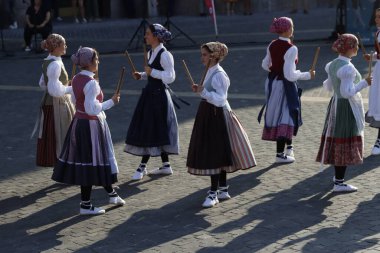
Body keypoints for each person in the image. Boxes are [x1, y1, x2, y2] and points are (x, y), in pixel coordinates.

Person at [52, 47, 125, 215]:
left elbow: (72, 96)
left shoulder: (77, 78)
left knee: (98, 160)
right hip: (90, 125)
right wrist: (112, 102)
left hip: (80, 122)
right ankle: (85, 205)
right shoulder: (91, 83)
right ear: (90, 63)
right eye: (97, 60)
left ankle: (112, 194)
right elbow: (92, 109)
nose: (98, 62)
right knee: (91, 163)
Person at [187, 42, 256, 208]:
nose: (201, 58)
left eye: (204, 54)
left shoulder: (219, 74)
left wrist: (203, 92)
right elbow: (208, 94)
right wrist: (200, 90)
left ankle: (213, 192)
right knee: (219, 150)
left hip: (217, 115)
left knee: (215, 152)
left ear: (214, 56)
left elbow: (220, 99)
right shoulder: (210, 71)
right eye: (202, 54)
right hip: (208, 114)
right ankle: (223, 188)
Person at [316, 34, 371, 192]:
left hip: (335, 104)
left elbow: (327, 86)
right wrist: (364, 83)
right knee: (344, 141)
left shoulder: (332, 64)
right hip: (345, 107)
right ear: (351, 48)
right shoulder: (347, 68)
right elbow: (347, 92)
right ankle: (339, 183)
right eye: (356, 45)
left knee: (337, 140)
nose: (358, 48)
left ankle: (337, 178)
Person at [125, 23, 178, 181]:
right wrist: (141, 75)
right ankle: (166, 165)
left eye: (148, 33)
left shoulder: (165, 54)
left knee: (150, 127)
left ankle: (142, 166)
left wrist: (152, 72)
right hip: (150, 94)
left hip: (159, 96)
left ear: (156, 36)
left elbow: (170, 77)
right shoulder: (150, 53)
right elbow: (152, 74)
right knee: (155, 127)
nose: (145, 36)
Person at [260, 17, 315, 163]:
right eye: (292, 27)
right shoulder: (291, 48)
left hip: (272, 83)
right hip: (284, 85)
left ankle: (289, 147)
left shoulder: (272, 44)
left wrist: (274, 69)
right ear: (287, 30)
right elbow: (289, 75)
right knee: (287, 115)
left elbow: (265, 65)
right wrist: (307, 75)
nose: (293, 29)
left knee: (283, 114)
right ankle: (280, 154)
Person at [33, 33, 75, 167]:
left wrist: (63, 84)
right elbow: (54, 90)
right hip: (57, 105)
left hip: (49, 102)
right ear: (56, 47)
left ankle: (60, 166)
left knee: (54, 136)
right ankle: (62, 166)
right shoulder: (55, 64)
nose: (66, 46)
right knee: (60, 135)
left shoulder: (48, 61)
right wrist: (70, 88)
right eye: (64, 44)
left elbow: (42, 83)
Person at [364, 8, 380, 155]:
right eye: (376, 17)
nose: (376, 20)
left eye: (379, 17)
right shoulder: (378, 32)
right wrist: (373, 57)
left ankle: (379, 141)